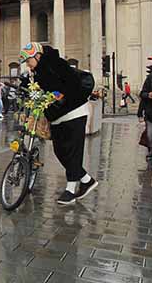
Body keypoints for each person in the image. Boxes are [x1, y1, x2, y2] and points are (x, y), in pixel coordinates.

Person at [19, 42, 97, 205]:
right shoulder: (36, 73)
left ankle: (70, 189)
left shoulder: (55, 64)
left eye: (28, 60)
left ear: (37, 56)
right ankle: (87, 180)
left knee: (74, 150)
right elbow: (39, 90)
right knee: (60, 151)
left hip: (74, 112)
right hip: (57, 117)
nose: (27, 64)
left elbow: (71, 83)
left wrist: (58, 95)